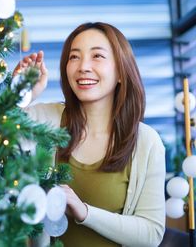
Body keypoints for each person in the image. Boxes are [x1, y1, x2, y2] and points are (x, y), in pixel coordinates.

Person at [17, 22, 166, 247]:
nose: (83, 67)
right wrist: (23, 94)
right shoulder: (44, 118)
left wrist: (84, 212)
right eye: (74, 57)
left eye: (97, 56)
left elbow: (151, 234)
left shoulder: (146, 142)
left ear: (120, 72)